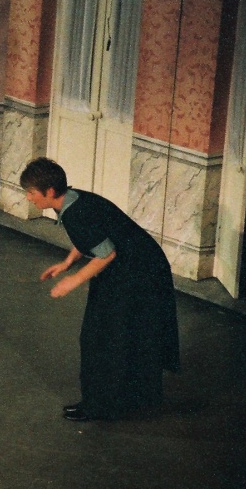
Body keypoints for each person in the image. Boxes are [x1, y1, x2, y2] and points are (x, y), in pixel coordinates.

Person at [20, 157, 181, 421]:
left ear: (49, 191)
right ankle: (125, 398)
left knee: (100, 338)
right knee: (117, 333)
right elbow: (93, 237)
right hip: (136, 267)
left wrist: (73, 281)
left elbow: (106, 253)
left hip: (138, 272)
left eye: (31, 192)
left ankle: (99, 405)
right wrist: (67, 263)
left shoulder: (76, 213)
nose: (28, 198)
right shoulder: (73, 200)